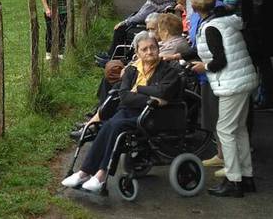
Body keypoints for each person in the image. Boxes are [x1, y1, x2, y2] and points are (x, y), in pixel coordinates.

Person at [62, 32, 183, 192]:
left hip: (153, 114)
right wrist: (148, 95)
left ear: (158, 49)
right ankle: (85, 172)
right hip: (129, 109)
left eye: (152, 47)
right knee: (108, 125)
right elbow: (124, 97)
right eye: (144, 49)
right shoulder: (132, 70)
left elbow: (162, 92)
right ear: (137, 52)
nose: (149, 52)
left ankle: (101, 174)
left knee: (116, 126)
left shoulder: (169, 70)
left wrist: (138, 89)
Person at [185, 0, 258, 198]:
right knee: (239, 129)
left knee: (225, 130)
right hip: (242, 79)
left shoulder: (211, 27)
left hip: (231, 83)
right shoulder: (224, 20)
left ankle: (233, 180)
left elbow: (219, 61)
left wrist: (203, 67)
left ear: (196, 7)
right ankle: (246, 176)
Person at [97, 0, 175, 58]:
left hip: (149, 24)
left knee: (120, 28)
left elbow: (141, 16)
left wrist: (125, 21)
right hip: (159, 24)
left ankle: (113, 55)